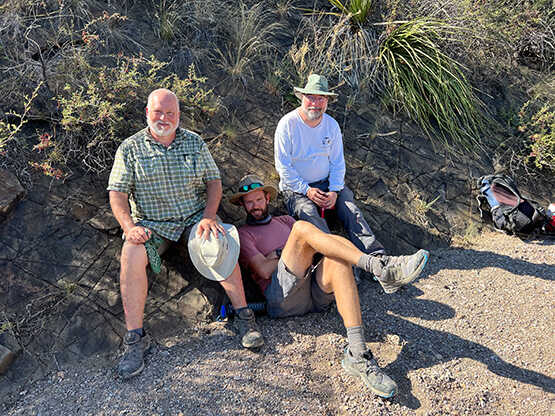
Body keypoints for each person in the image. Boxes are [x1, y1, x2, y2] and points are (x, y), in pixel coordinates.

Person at [107, 89, 263, 380]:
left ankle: (244, 317)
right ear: (147, 113)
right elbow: (117, 194)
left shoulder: (194, 142)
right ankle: (135, 339)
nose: (164, 118)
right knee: (130, 254)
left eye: (170, 114)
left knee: (219, 240)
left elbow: (214, 183)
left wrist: (207, 216)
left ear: (178, 116)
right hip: (153, 225)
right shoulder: (130, 148)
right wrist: (130, 228)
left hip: (194, 219)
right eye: (158, 112)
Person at [230, 175, 430, 399]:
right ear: (242, 205)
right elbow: (264, 270)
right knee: (303, 231)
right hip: (282, 298)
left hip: (312, 290)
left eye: (257, 199)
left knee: (338, 258)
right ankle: (379, 267)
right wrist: (286, 252)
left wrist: (276, 254)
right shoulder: (243, 233)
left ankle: (358, 353)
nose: (254, 206)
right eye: (248, 202)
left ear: (267, 198)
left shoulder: (285, 220)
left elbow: (320, 247)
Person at [275, 73, 404, 284]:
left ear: (327, 101)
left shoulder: (331, 125)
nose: (315, 103)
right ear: (302, 97)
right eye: (311, 97)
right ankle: (341, 265)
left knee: (351, 211)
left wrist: (334, 190)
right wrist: (307, 190)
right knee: (310, 216)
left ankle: (378, 261)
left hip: (327, 184)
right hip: (296, 189)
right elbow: (284, 168)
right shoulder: (287, 125)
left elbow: (337, 163)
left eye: (321, 99)